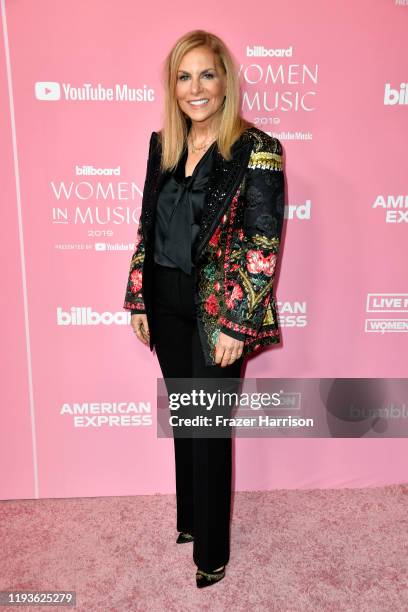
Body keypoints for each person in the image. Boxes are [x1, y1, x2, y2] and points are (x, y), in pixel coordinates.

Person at [123, 29, 285, 588]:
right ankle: (191, 519)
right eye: (184, 76)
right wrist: (137, 296)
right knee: (187, 417)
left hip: (219, 311)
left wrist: (238, 323)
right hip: (164, 302)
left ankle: (211, 555)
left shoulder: (256, 149)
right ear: (174, 86)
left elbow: (262, 244)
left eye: (206, 74)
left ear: (225, 82)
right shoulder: (162, 145)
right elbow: (148, 227)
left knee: (210, 426)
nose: (195, 88)